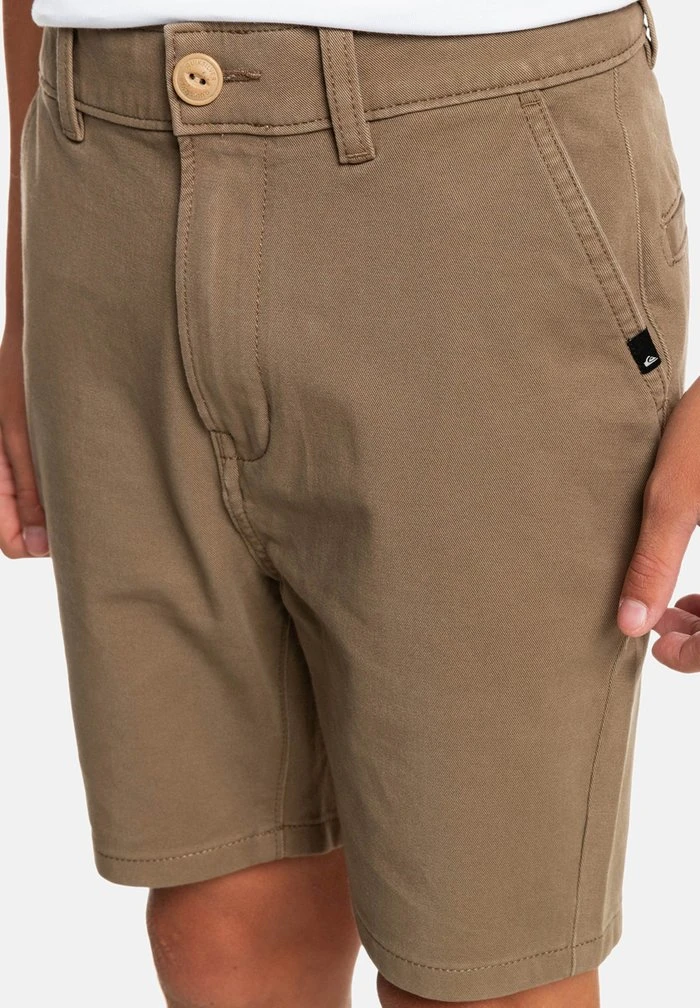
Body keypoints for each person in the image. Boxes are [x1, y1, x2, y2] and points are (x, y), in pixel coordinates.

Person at [1, 1, 697, 1005]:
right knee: (220, 910)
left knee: (480, 962)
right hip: (100, 173)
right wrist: (26, 288)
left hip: (476, 189)